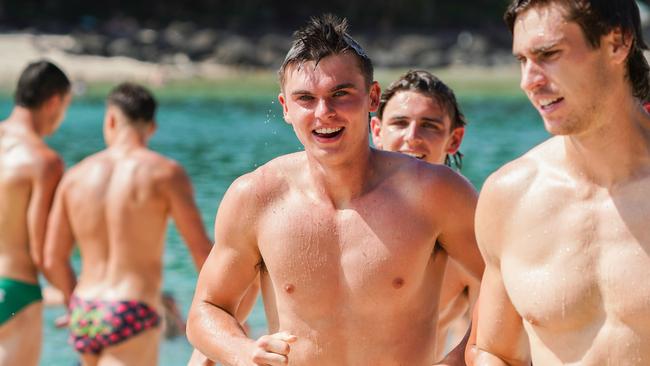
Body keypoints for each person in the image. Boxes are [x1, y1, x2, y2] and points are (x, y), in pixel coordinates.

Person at [187, 14, 484, 365]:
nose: (323, 112)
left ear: (372, 97)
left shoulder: (436, 193)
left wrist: (460, 358)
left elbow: (505, 282)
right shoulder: (256, 197)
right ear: (285, 108)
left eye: (340, 94)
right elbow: (207, 308)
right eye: (305, 99)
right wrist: (242, 351)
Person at [472, 0, 650, 365]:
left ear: (617, 42)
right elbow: (493, 350)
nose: (529, 81)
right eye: (522, 61)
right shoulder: (509, 196)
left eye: (549, 54)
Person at [42, 82, 213, 366]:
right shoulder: (165, 173)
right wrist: (218, 312)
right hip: (131, 307)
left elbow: (52, 258)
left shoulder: (75, 176)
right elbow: (201, 251)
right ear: (152, 128)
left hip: (85, 310)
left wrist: (73, 305)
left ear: (110, 119)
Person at [370, 69, 479, 361]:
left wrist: (456, 360)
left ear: (454, 139)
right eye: (400, 123)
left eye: (429, 125)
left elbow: (506, 318)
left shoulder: (470, 231)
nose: (412, 137)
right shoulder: (335, 214)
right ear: (377, 131)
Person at [0, 60, 71, 366]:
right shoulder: (43, 161)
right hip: (15, 288)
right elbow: (44, 254)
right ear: (54, 102)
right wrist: (75, 297)